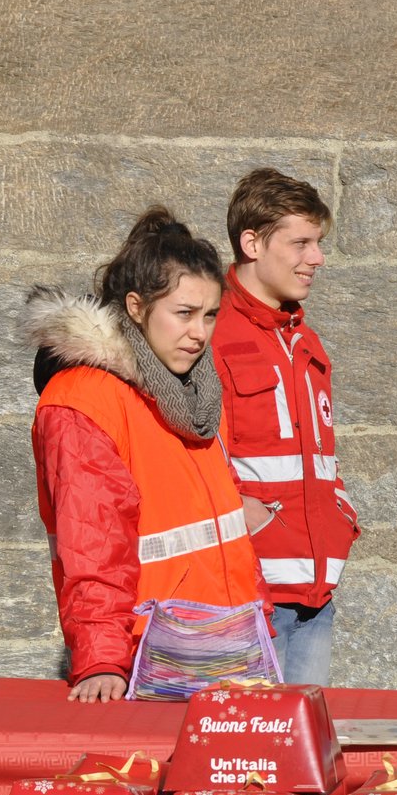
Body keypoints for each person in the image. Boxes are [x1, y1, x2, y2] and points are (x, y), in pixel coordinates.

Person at [26, 207, 271, 702]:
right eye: (183, 314)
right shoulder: (83, 400)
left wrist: (257, 622)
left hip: (231, 650)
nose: (199, 334)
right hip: (148, 664)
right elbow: (93, 544)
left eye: (209, 315)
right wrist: (101, 661)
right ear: (135, 307)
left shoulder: (198, 394)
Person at [212, 168, 359, 685]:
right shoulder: (212, 334)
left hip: (316, 593)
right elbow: (191, 457)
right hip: (248, 595)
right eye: (300, 243)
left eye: (317, 243)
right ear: (251, 243)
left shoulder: (306, 340)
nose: (316, 258)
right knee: (251, 757)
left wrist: (341, 510)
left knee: (300, 755)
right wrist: (247, 515)